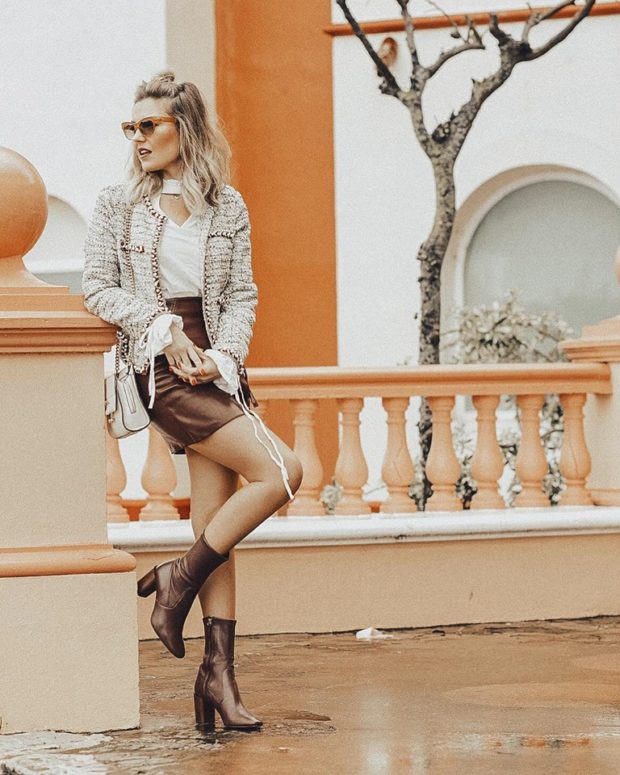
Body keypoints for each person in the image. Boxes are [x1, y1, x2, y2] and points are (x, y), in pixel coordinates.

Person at [82, 71, 303, 732]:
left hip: (215, 367)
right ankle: (176, 580)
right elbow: (97, 287)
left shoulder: (226, 206)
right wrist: (164, 329)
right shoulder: (117, 203)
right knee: (284, 471)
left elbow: (241, 296)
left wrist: (223, 355)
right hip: (161, 367)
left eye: (149, 125)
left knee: (215, 522)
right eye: (131, 126)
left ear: (186, 128)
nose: (138, 137)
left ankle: (217, 675)